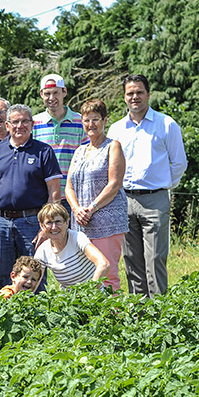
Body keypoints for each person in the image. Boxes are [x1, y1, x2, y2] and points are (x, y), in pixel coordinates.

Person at [107, 74, 188, 296]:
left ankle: (159, 313)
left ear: (148, 94)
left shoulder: (166, 124)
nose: (135, 97)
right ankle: (138, 312)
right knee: (131, 259)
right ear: (124, 97)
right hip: (124, 200)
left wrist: (161, 186)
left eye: (139, 92)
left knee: (155, 259)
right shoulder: (116, 130)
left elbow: (179, 163)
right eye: (130, 93)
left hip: (155, 201)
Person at [0, 104, 62, 288]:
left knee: (34, 275)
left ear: (32, 124)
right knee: (3, 275)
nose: (20, 126)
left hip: (32, 222)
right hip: (0, 223)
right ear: (7, 125)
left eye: (25, 121)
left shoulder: (44, 151)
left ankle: (37, 315)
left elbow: (54, 192)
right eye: (15, 122)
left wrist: (45, 227)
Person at [65, 99, 128, 292]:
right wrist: (76, 209)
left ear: (105, 120)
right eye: (86, 120)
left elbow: (114, 184)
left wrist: (91, 208)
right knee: (84, 273)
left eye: (95, 119)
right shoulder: (80, 150)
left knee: (107, 274)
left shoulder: (113, 146)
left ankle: (112, 318)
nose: (90, 124)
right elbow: (68, 186)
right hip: (82, 222)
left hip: (106, 223)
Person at [32, 73, 86, 205]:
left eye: (56, 92)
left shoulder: (81, 121)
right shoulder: (34, 123)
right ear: (41, 94)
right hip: (42, 196)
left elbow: (88, 158)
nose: (51, 98)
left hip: (74, 196)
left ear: (64, 92)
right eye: (47, 93)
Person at [34, 202, 110, 289]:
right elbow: (33, 281)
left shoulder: (78, 238)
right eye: (49, 223)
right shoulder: (42, 251)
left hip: (93, 295)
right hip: (68, 299)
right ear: (42, 226)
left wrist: (90, 292)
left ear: (67, 222)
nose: (54, 227)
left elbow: (104, 264)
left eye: (58, 222)